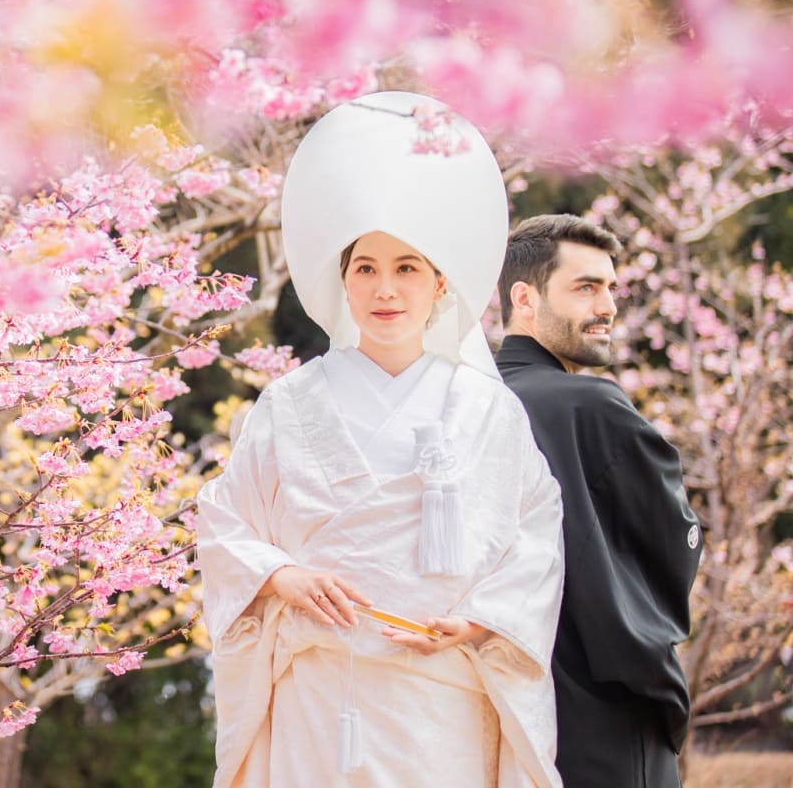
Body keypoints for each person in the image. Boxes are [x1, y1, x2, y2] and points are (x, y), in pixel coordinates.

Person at [198, 92, 565, 787]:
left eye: (406, 269)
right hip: (317, 687)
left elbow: (536, 532)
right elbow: (225, 520)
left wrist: (485, 620)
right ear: (343, 281)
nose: (384, 289)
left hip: (439, 692)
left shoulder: (488, 410)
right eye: (365, 267)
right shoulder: (289, 402)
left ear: (438, 287)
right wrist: (281, 575)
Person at [495, 214, 702, 788]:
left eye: (611, 287)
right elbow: (673, 545)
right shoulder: (590, 407)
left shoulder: (470, 400)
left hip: (501, 713)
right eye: (585, 288)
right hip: (604, 717)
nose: (607, 306)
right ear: (524, 298)